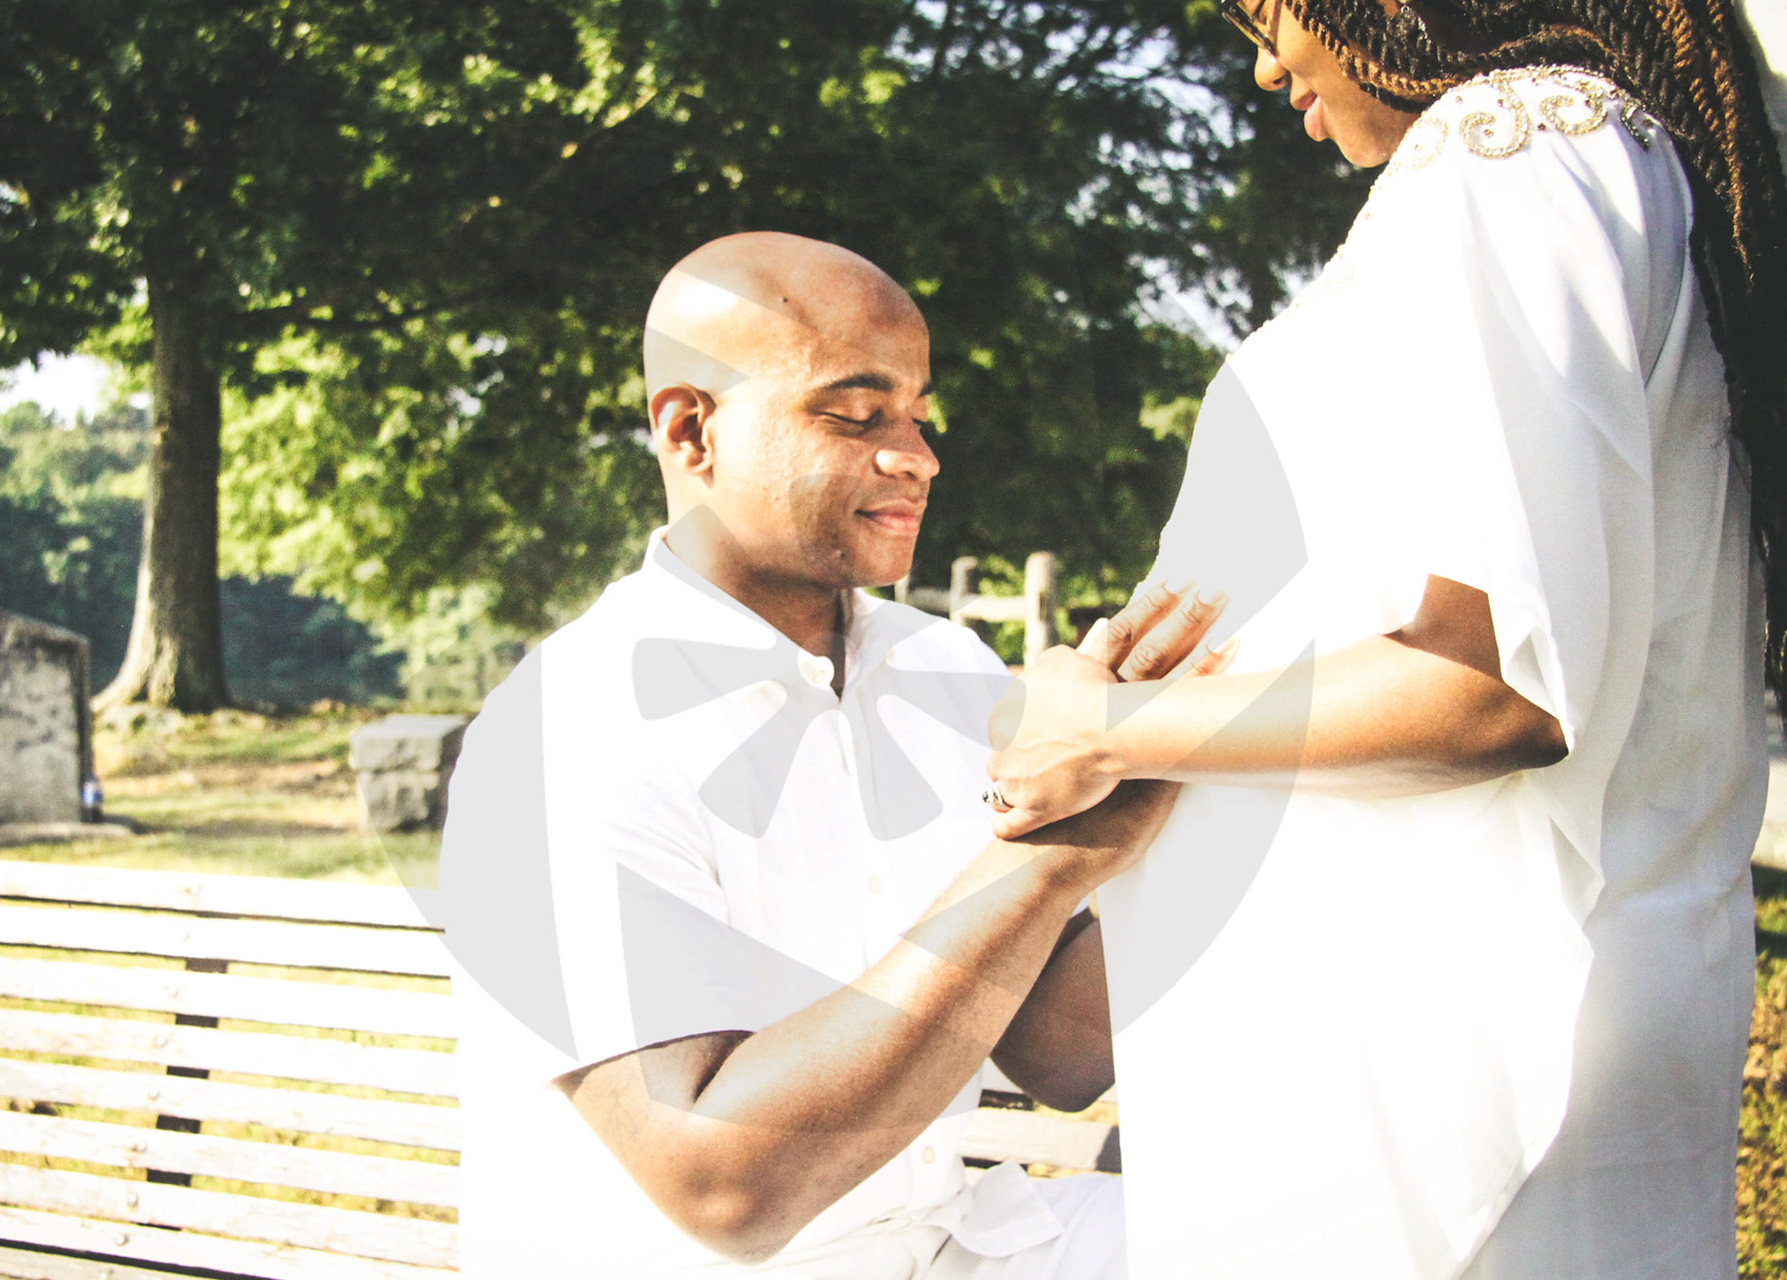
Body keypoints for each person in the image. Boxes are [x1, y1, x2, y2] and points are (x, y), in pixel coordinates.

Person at [985, 1, 1787, 1276]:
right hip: (1437, 1031)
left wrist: (1103, 729)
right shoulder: (1594, 166)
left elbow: (1492, 685)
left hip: (1445, 1071)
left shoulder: (1511, 152)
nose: (1265, 66)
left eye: (1270, 13)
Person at [441, 231, 1227, 1278]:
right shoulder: (561, 729)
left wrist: (1179, 760)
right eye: (857, 416)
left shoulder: (948, 670)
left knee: (1321, 1229)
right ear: (692, 431)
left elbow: (1061, 1053)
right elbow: (726, 1188)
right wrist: (1050, 860)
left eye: (919, 417)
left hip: (951, 1245)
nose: (917, 457)